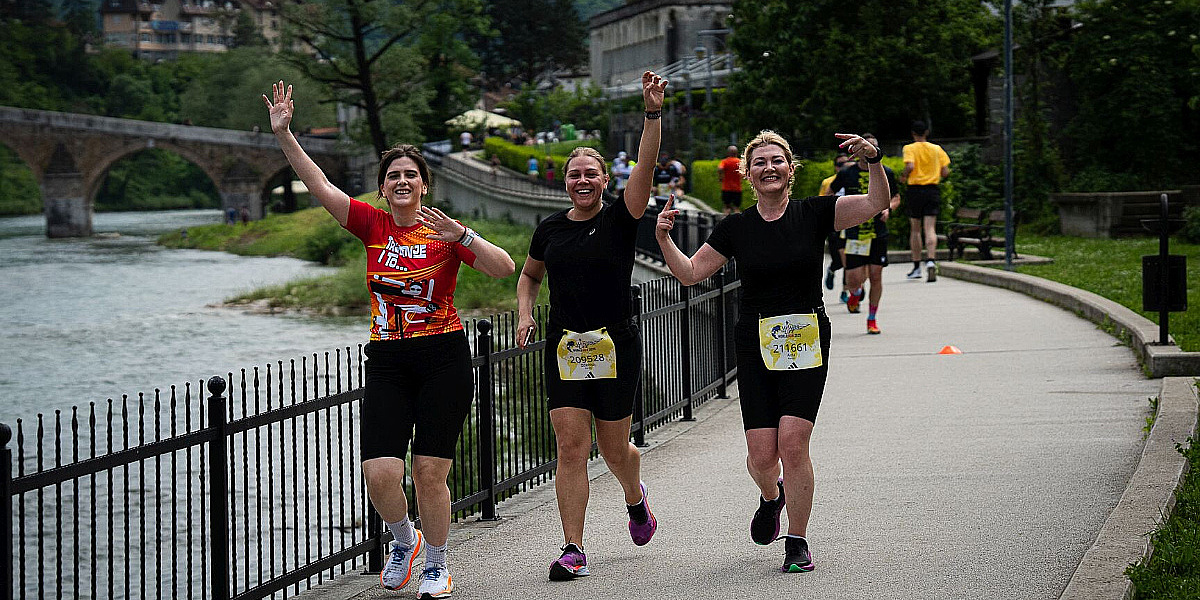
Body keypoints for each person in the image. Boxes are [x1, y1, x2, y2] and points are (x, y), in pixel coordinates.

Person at [263, 80, 516, 599]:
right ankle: (406, 540)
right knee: (380, 472)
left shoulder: (446, 231)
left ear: (425, 186)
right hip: (387, 360)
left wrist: (464, 237)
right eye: (393, 176)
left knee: (428, 470)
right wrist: (285, 136)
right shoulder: (371, 224)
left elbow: (504, 268)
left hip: (444, 357)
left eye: (411, 175)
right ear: (383, 188)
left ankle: (439, 564)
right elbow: (319, 185)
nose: (402, 181)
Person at [654, 130, 891, 573]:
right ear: (748, 174)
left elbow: (876, 202)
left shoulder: (816, 213)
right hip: (755, 342)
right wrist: (666, 239)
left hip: (805, 336)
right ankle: (771, 495)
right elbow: (689, 274)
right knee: (762, 456)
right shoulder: (736, 227)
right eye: (759, 162)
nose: (769, 168)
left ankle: (797, 541)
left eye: (776, 160)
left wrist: (873, 160)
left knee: (794, 442)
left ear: (790, 169)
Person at [515, 71, 668, 582]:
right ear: (565, 182)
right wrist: (524, 311)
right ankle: (573, 547)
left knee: (613, 448)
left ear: (605, 180)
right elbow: (529, 276)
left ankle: (633, 494)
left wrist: (651, 113)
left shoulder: (622, 218)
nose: (582, 181)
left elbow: (645, 165)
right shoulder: (550, 229)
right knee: (570, 446)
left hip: (615, 345)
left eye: (591, 174)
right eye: (574, 174)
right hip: (564, 347)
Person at [827, 134, 901, 333]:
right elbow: (829, 193)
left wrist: (888, 209)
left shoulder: (886, 172)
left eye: (873, 147)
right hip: (855, 232)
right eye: (865, 147)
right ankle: (855, 293)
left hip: (878, 232)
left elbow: (895, 197)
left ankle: (871, 318)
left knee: (876, 276)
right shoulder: (846, 173)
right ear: (857, 150)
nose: (869, 150)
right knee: (853, 279)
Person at [901, 120, 951, 282]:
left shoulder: (909, 148)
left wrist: (903, 176)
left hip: (915, 190)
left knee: (915, 229)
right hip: (932, 189)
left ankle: (916, 266)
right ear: (927, 132)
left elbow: (910, 166)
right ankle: (930, 260)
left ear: (913, 134)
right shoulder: (937, 149)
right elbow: (945, 172)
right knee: (930, 228)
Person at [819, 153, 852, 292]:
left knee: (849, 260)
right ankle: (832, 270)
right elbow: (820, 203)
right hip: (834, 226)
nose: (843, 167)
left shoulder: (853, 179)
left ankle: (848, 290)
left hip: (851, 225)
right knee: (838, 261)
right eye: (840, 165)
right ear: (835, 167)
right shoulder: (829, 183)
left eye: (846, 163)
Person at [718, 145, 744, 215]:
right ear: (736, 153)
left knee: (726, 207)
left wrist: (720, 177)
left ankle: (726, 223)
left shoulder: (725, 161)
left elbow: (720, 168)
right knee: (736, 208)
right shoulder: (740, 162)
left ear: (728, 153)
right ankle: (737, 223)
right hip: (737, 188)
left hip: (726, 188)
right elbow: (744, 171)